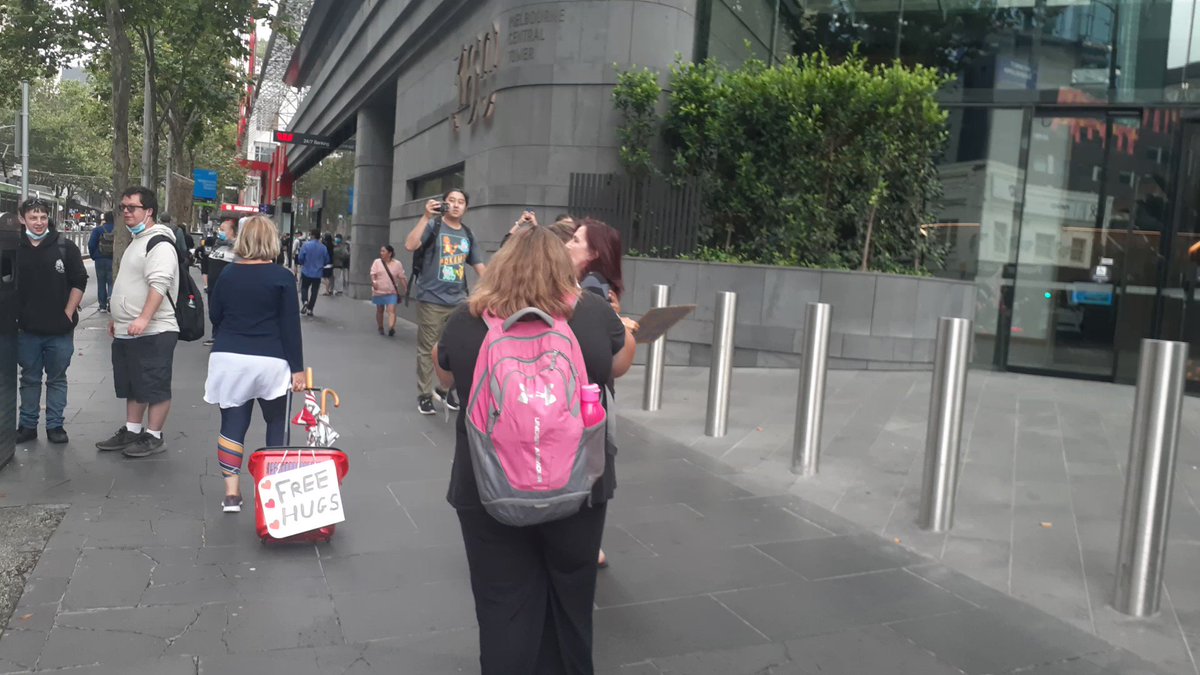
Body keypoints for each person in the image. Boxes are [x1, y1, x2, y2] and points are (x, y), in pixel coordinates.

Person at [434, 225, 636, 674]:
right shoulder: (593, 314)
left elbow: (444, 376)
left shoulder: (467, 320)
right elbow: (618, 365)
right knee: (571, 599)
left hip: (487, 486)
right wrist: (625, 327)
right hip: (580, 484)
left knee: (501, 604)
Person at [203, 215, 305, 512]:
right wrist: (297, 369)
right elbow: (290, 327)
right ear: (272, 241)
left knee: (233, 424)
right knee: (276, 423)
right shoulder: (282, 277)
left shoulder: (228, 275)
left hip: (229, 358)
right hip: (271, 361)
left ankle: (232, 495)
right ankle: (272, 490)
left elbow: (216, 315)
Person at [565, 217, 638, 570]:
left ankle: (586, 544)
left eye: (576, 239)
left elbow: (603, 357)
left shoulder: (591, 289)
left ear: (593, 252)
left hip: (585, 400)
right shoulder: (594, 286)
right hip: (593, 399)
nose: (568, 243)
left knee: (589, 467)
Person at [95, 186, 180, 459]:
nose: (126, 212)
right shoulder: (137, 240)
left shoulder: (159, 242)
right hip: (128, 329)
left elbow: (159, 283)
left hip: (155, 329)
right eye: (123, 207)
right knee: (133, 383)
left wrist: (144, 318)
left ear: (149, 211)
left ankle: (153, 435)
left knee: (154, 383)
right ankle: (133, 430)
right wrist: (116, 318)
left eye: (132, 207)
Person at [403, 189, 485, 415]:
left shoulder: (468, 234)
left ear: (466, 207)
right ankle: (425, 395)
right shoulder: (434, 226)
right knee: (428, 349)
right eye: (451, 201)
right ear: (444, 204)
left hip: (459, 301)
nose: (456, 205)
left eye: (461, 202)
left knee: (459, 347)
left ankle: (445, 389)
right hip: (431, 299)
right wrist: (426, 217)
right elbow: (410, 245)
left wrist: (494, 290)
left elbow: (480, 267)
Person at [14, 197, 88, 445]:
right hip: (27, 330)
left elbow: (79, 280)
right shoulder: (14, 247)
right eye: (33, 217)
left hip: (60, 330)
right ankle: (27, 425)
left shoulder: (65, 247)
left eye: (43, 217)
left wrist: (68, 311)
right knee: (29, 379)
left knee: (57, 379)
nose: (38, 222)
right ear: (22, 218)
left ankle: (55, 425)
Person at [202, 215, 240, 346]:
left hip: (227, 288)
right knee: (213, 311)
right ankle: (215, 334)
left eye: (224, 229)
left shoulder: (238, 248)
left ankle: (224, 336)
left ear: (233, 231)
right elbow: (207, 264)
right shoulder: (216, 245)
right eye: (220, 229)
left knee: (225, 312)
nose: (220, 232)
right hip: (213, 286)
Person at [369, 244, 406, 336]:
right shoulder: (377, 262)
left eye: (383, 251)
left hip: (391, 291)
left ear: (390, 253)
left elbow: (401, 277)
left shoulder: (397, 264)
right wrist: (373, 282)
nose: (381, 253)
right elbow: (373, 273)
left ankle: (391, 328)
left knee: (391, 310)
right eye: (381, 251)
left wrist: (406, 287)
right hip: (379, 291)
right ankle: (380, 327)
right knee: (380, 309)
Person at [297, 228, 330, 316]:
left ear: (312, 235)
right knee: (314, 291)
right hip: (317, 273)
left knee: (304, 288)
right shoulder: (323, 248)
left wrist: (303, 263)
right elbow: (327, 260)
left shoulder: (306, 245)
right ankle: (310, 309)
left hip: (306, 271)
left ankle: (305, 301)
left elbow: (300, 258)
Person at [87, 211, 116, 312]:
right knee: (112, 282)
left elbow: (91, 244)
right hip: (112, 259)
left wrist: (94, 256)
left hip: (100, 259)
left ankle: (102, 305)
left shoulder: (98, 230)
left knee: (101, 282)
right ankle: (111, 302)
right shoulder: (119, 230)